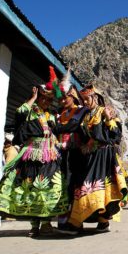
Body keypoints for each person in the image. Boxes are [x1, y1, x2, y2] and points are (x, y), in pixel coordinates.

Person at [0, 74, 69, 238]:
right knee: (31, 189)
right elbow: (19, 111)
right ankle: (34, 226)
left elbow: (55, 132)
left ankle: (47, 223)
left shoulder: (52, 116)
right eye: (43, 98)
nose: (46, 102)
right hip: (32, 155)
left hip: (50, 156)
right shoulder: (30, 112)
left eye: (49, 100)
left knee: (49, 188)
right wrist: (32, 97)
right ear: (38, 97)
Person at [61, 84, 127, 233]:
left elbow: (116, 135)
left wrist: (109, 120)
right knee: (86, 185)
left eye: (87, 99)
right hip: (89, 156)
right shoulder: (85, 115)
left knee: (91, 186)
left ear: (95, 98)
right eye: (83, 100)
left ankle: (78, 223)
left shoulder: (105, 111)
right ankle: (101, 222)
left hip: (103, 156)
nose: (84, 103)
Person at [52, 70, 88, 233]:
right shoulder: (61, 114)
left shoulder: (81, 111)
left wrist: (56, 127)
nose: (61, 100)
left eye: (64, 97)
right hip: (62, 155)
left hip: (77, 155)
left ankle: (76, 222)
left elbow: (72, 126)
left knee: (75, 186)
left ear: (72, 96)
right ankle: (63, 221)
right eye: (60, 98)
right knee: (64, 186)